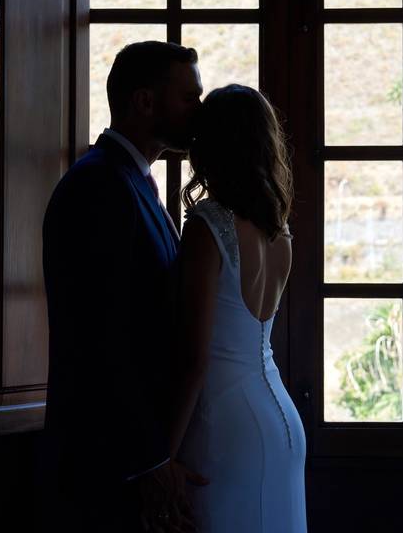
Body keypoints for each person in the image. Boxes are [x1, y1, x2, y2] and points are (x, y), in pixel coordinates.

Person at [42, 41, 207, 531]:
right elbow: (100, 338)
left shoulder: (133, 183)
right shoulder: (98, 188)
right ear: (144, 101)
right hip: (105, 468)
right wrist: (151, 461)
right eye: (189, 98)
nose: (199, 111)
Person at [175, 85, 307, 532]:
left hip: (225, 420)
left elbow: (194, 360)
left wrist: (162, 456)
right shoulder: (277, 227)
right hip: (281, 416)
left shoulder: (207, 226)